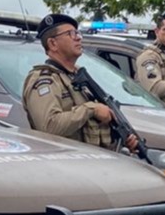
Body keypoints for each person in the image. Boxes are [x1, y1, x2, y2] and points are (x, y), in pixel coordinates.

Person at [22, 12, 137, 152]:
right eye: (70, 34)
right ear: (53, 44)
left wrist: (121, 137)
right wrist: (91, 109)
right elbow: (48, 126)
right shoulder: (44, 80)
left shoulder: (78, 77)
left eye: (77, 33)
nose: (78, 38)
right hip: (66, 165)